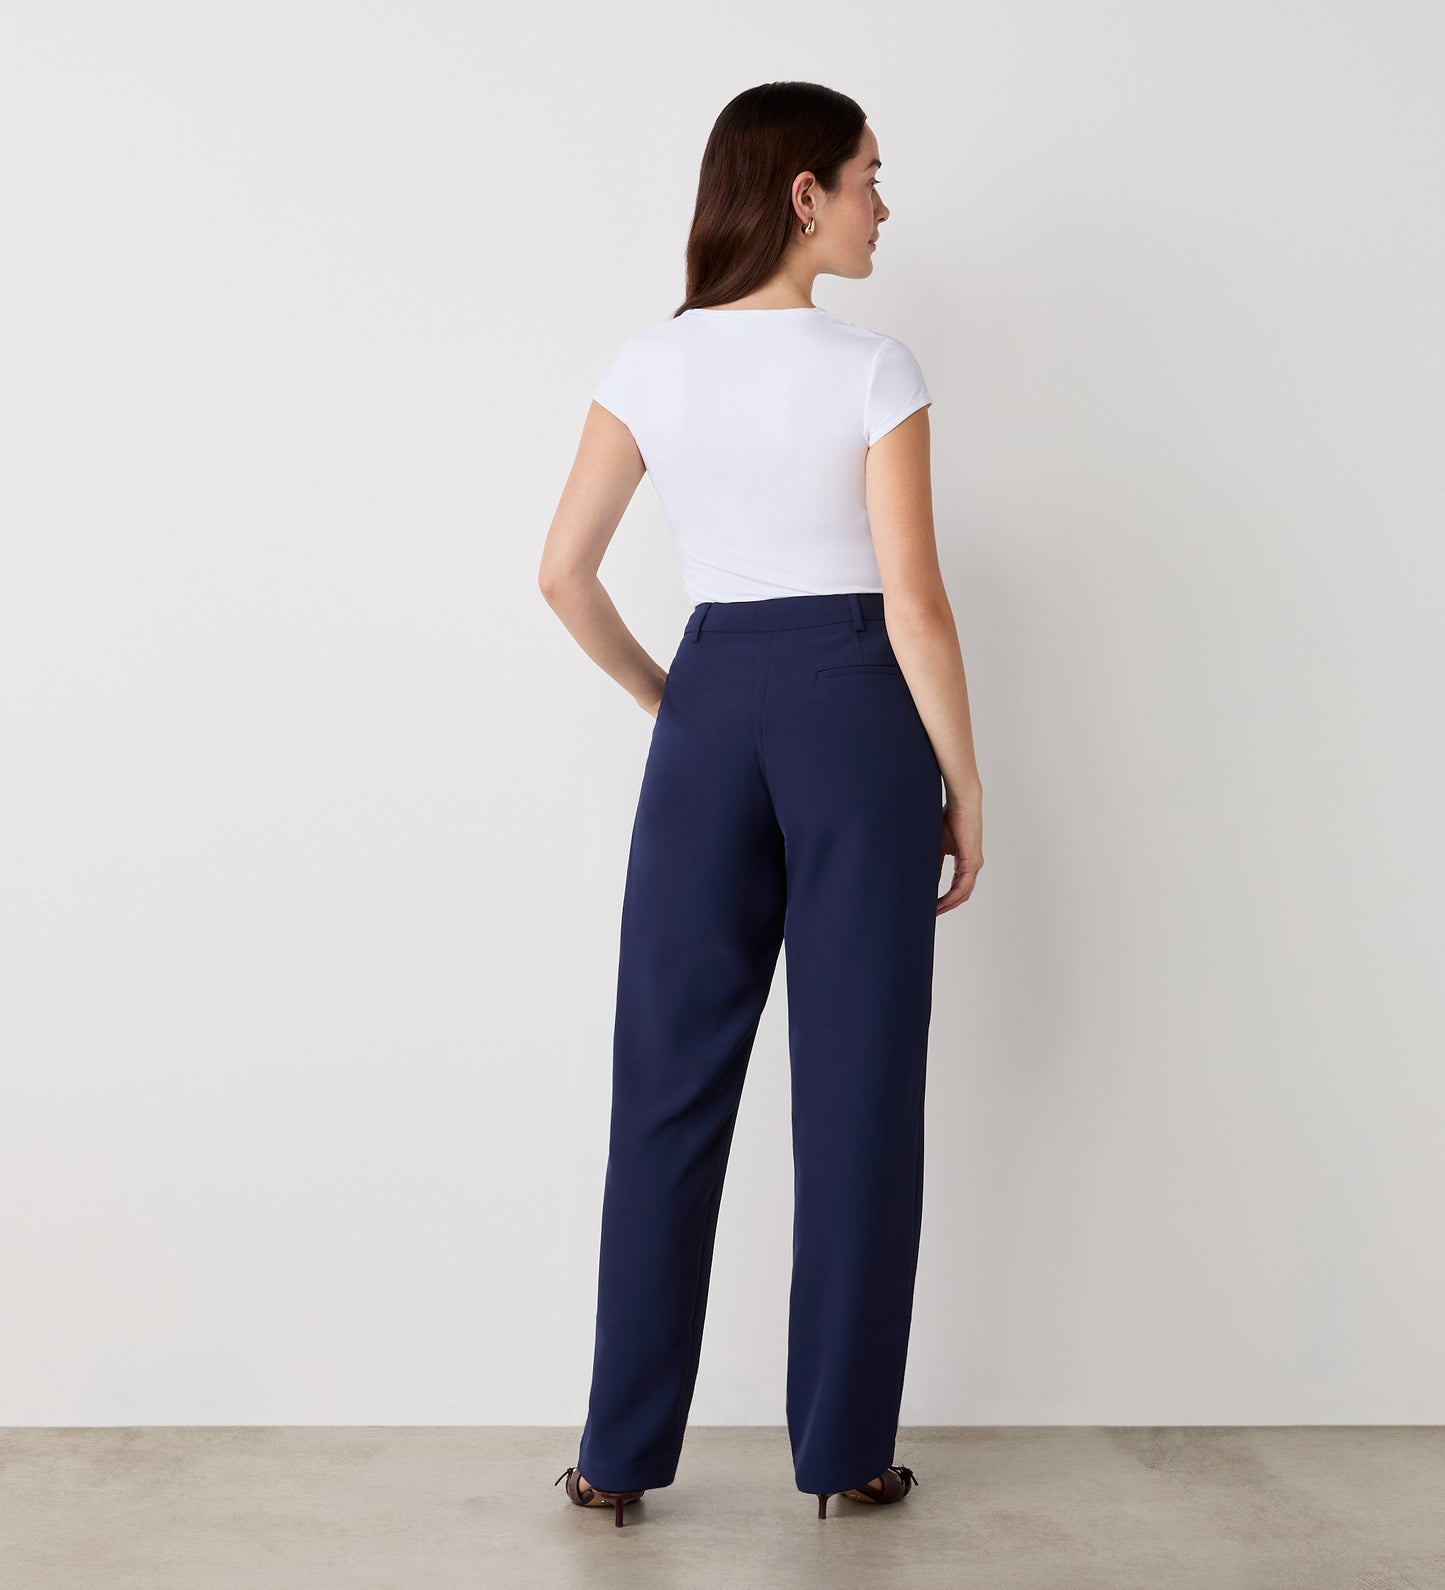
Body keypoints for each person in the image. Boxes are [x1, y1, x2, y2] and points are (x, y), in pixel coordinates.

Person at [540, 80, 984, 1527]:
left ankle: (614, 1455)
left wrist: (680, 703)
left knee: (666, 1082)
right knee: (857, 1090)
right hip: (854, 708)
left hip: (715, 700)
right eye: (865, 176)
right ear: (802, 192)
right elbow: (911, 599)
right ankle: (844, 1450)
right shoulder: (870, 367)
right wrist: (964, 783)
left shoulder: (646, 364)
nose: (879, 202)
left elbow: (562, 573)